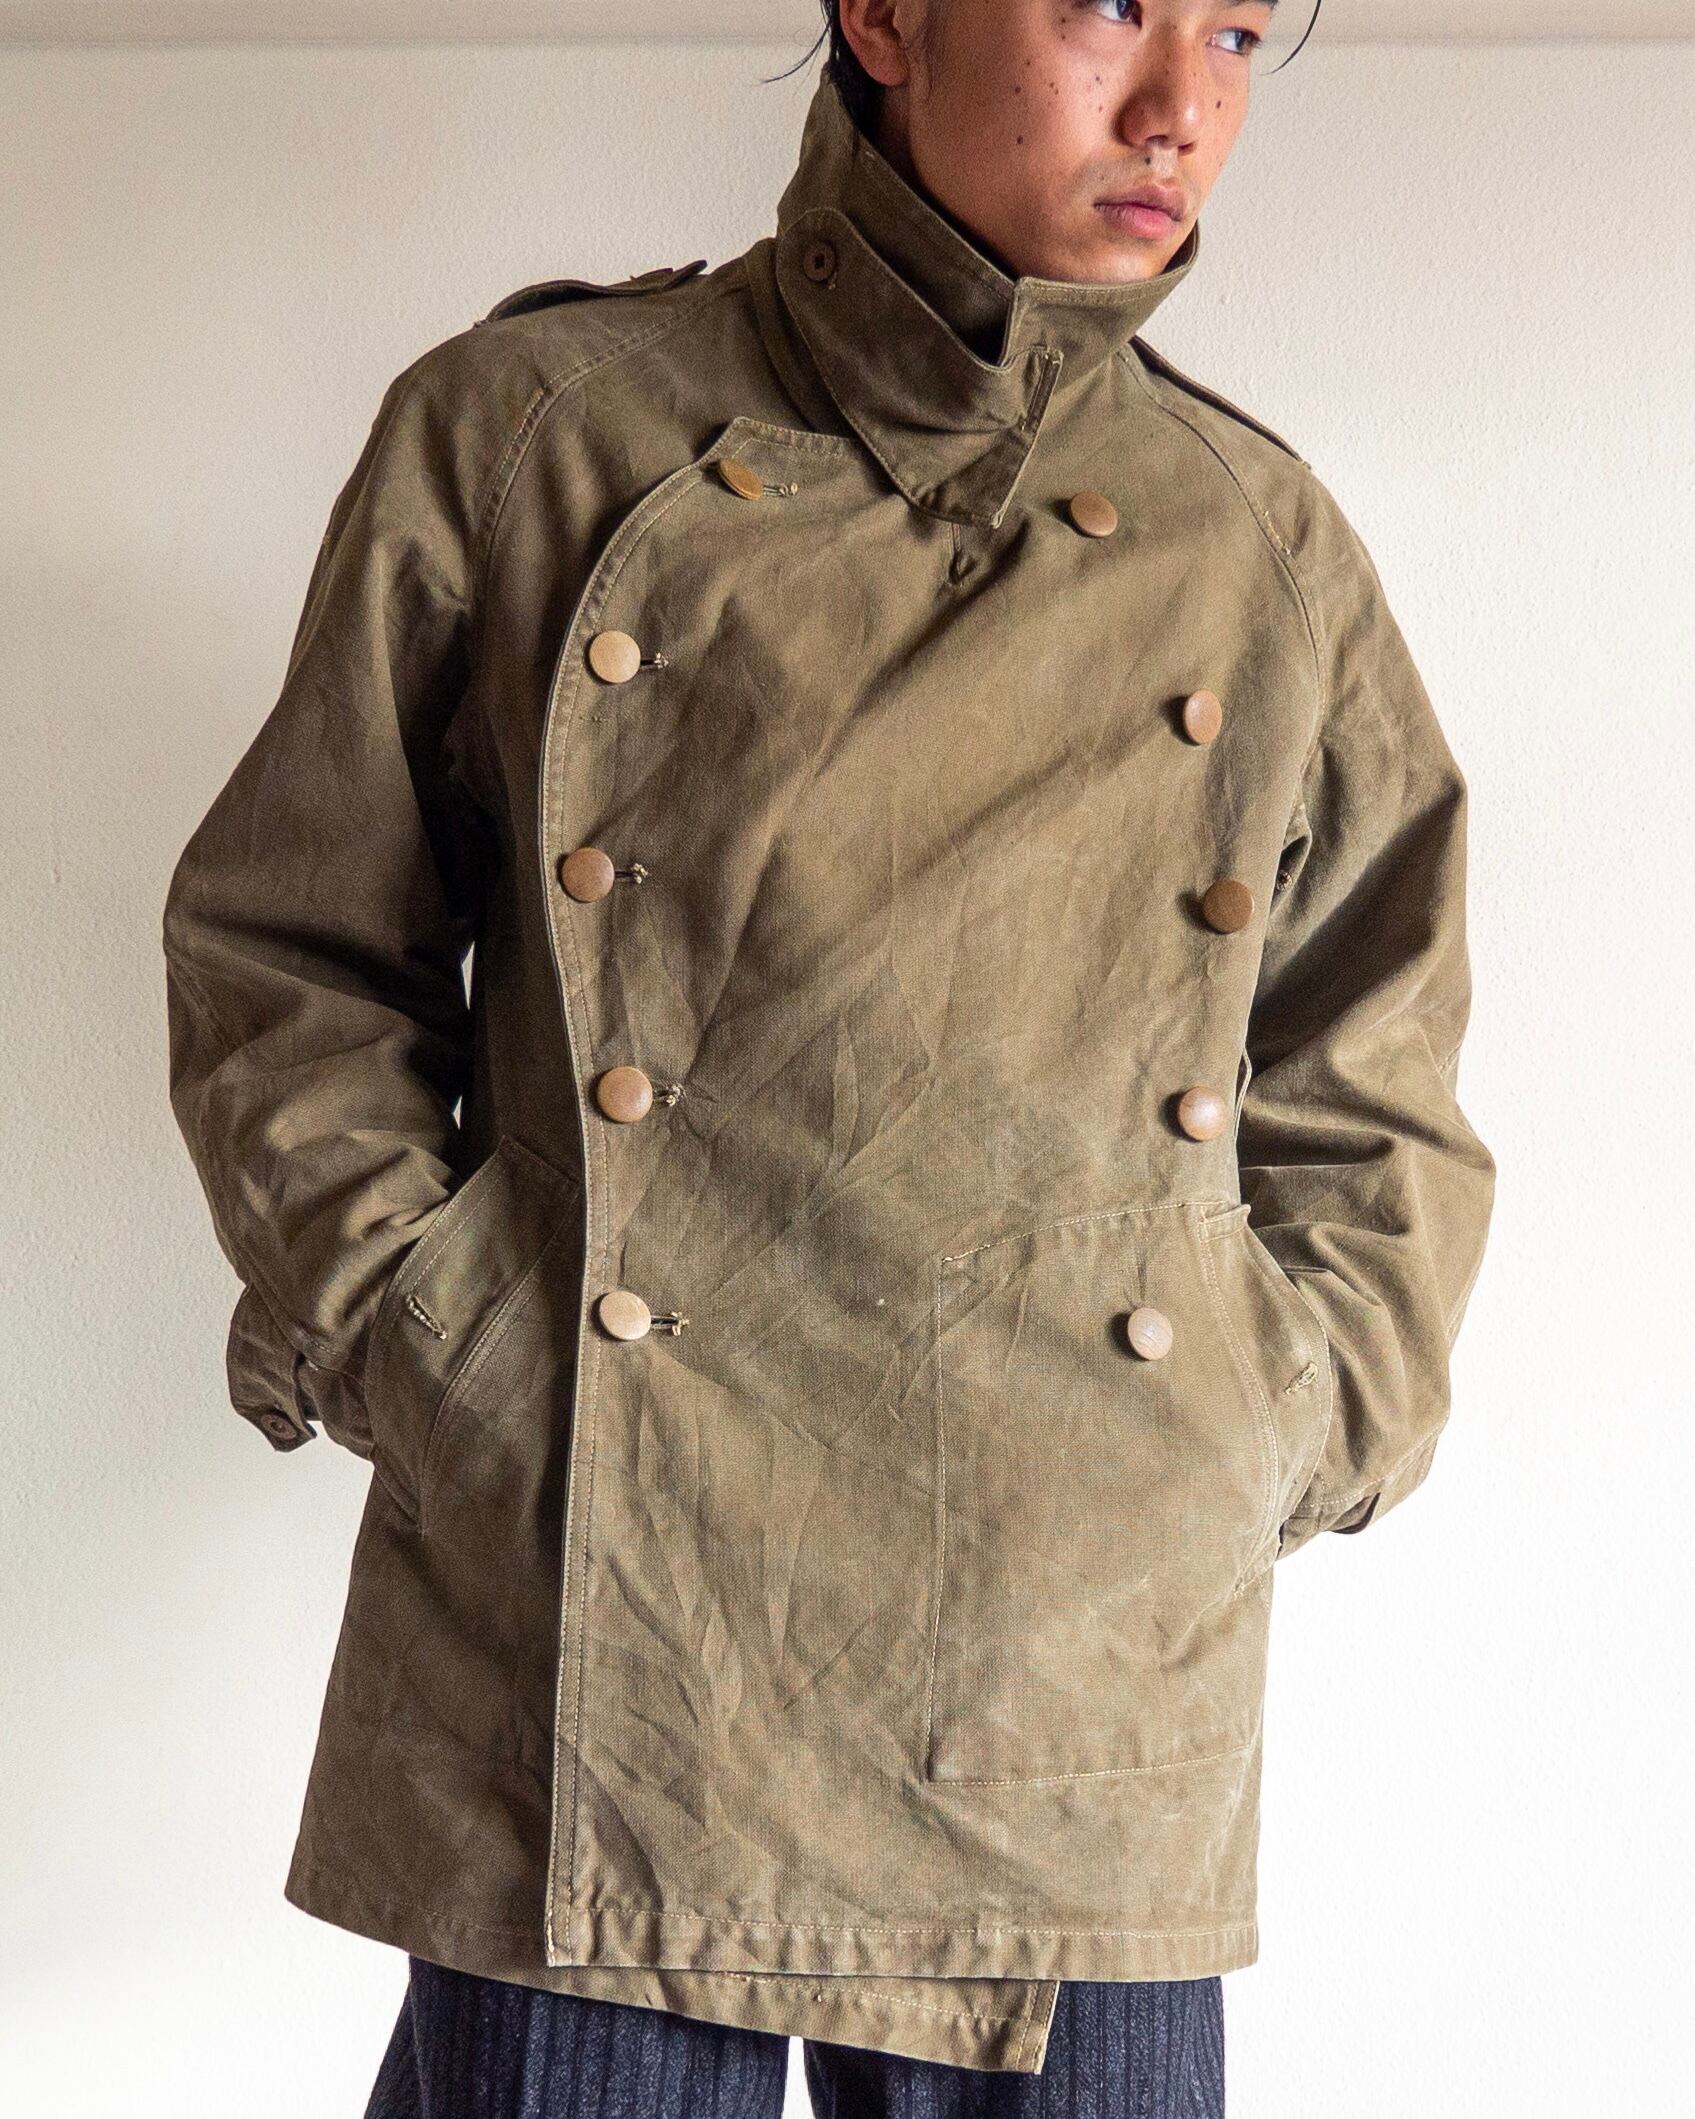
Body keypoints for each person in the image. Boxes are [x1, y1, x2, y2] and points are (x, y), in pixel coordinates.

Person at [160, 2, 1495, 2113]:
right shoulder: (532, 435)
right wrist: (445, 1348)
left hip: (1073, 1652)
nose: (1183, 106)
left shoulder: (1253, 542)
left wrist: (1267, 1422)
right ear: (881, 12)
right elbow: (293, 957)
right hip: (603, 1634)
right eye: (1107, 4)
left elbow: (1374, 1065)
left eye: (1240, 26)